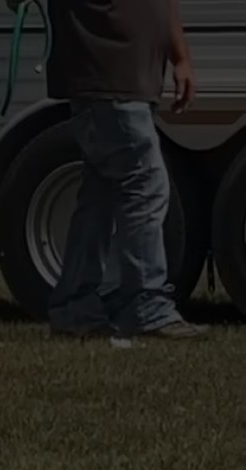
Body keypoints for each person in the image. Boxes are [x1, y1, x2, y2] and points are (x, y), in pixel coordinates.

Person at [34, 0, 207, 340]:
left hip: (126, 79)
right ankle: (144, 303)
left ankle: (75, 306)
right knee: (145, 183)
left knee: (102, 194)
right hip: (104, 74)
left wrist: (180, 57)